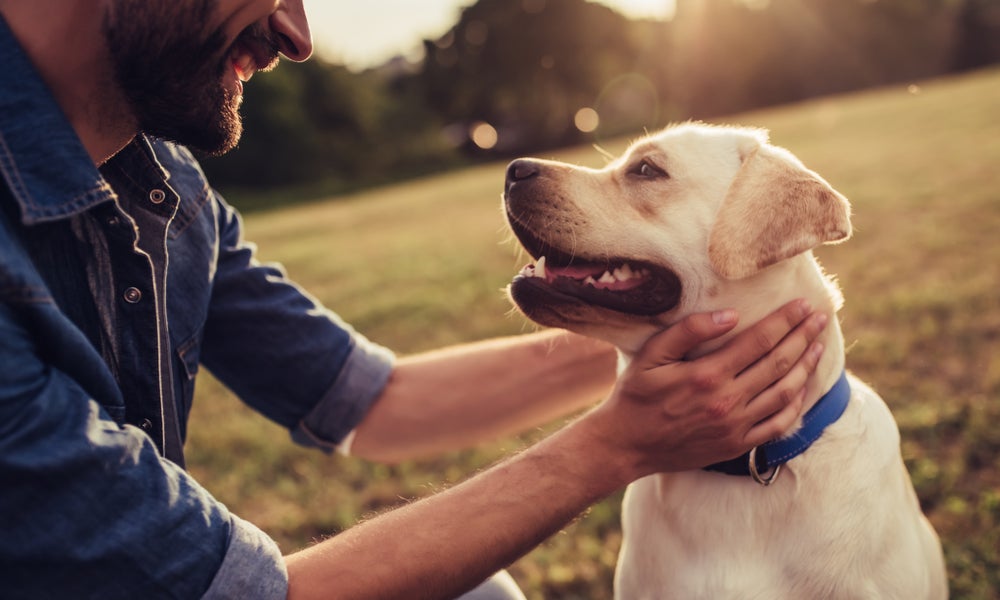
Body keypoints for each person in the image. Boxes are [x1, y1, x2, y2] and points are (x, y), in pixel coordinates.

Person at [0, 1, 829, 599]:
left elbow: (376, 401)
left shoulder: (166, 190)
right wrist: (614, 446)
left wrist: (684, 329)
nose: (295, 33)